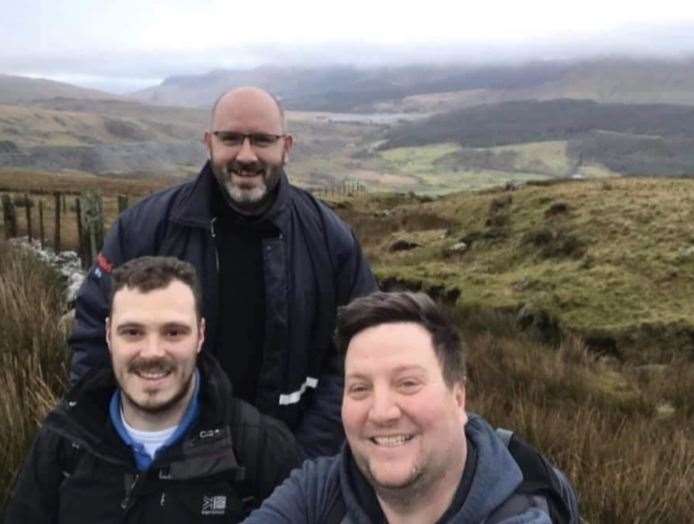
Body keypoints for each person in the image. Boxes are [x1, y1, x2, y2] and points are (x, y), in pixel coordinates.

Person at [69, 86, 377, 457]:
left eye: (263, 140)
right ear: (208, 143)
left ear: (287, 146)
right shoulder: (144, 228)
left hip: (290, 470)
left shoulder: (331, 240)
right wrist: (129, 450)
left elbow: (361, 353)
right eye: (230, 138)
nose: (246, 155)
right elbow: (94, 338)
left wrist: (299, 462)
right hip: (164, 465)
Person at [6, 257, 302, 523]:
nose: (152, 352)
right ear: (108, 335)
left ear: (200, 335)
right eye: (132, 332)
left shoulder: (260, 449)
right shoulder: (63, 443)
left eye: (173, 332)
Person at [243, 291, 580, 524]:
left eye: (407, 384)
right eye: (360, 388)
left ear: (459, 397)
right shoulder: (320, 490)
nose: (382, 412)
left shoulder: (520, 515)